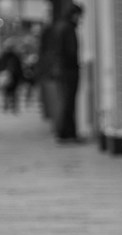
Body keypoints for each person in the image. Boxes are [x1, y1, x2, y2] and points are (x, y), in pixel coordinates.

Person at [52, 2, 83, 142]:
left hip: (61, 69)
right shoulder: (68, 28)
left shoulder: (60, 27)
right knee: (68, 101)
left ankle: (65, 132)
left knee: (64, 101)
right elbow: (70, 51)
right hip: (68, 70)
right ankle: (67, 133)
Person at [0, 39, 24, 115]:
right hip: (14, 77)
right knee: (14, 93)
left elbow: (0, 66)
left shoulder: (4, 56)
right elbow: (19, 68)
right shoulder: (15, 56)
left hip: (7, 76)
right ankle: (13, 107)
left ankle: (7, 107)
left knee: (7, 92)